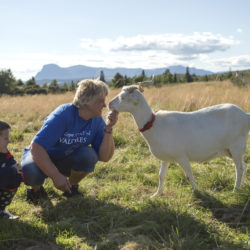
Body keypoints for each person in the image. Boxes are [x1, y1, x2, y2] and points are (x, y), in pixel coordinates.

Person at [21, 79, 118, 203]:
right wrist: (55, 176)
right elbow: (36, 148)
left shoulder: (96, 120)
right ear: (87, 102)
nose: (105, 105)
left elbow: (104, 157)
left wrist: (108, 128)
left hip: (65, 157)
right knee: (31, 171)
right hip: (42, 155)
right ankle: (35, 191)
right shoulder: (62, 115)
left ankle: (70, 187)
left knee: (89, 155)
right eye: (100, 101)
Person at [0, 121, 23, 219]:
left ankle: (1, 210)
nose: (9, 141)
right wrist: (11, 170)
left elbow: (15, 166)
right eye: (6, 138)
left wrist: (19, 172)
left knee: (15, 178)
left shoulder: (5, 153)